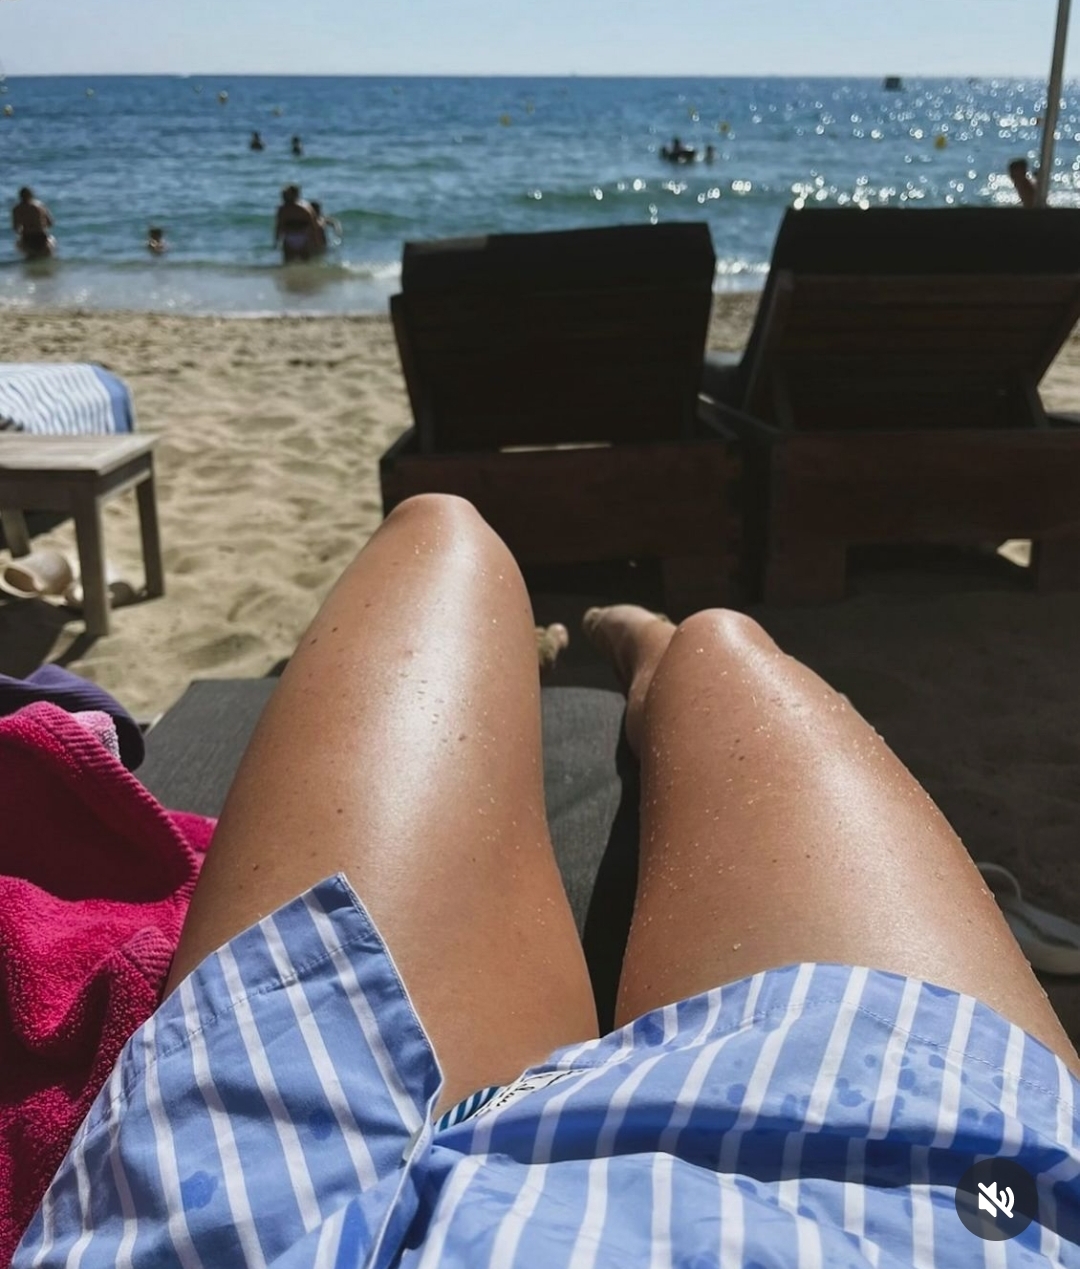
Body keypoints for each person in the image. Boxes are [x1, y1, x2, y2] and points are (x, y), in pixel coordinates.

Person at [16, 494, 1080, 1266]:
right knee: (718, 647)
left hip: (267, 1214)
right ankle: (644, 648)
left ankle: (621, 657)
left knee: (446, 531)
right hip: (908, 1218)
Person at [273, 183, 317, 262]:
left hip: (302, 236)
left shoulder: (305, 209)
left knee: (304, 261)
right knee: (289, 262)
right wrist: (276, 240)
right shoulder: (282, 210)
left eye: (286, 195)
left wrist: (314, 241)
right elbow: (279, 226)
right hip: (291, 237)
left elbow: (313, 226)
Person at [11, 187, 54, 259]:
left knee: (19, 246)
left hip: (27, 238)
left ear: (20, 197)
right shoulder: (40, 206)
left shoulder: (16, 209)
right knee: (52, 241)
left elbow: (15, 228)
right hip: (41, 237)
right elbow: (50, 223)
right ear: (31, 195)